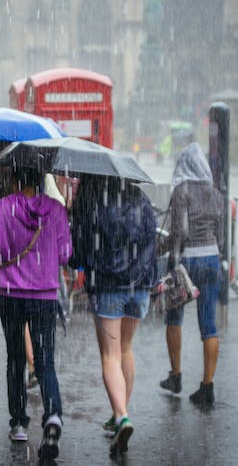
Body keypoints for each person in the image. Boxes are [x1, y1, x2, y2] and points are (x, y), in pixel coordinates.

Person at [0, 166, 71, 461]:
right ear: (41, 179)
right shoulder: (56, 211)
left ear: (17, 179)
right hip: (44, 295)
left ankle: (19, 422)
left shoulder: (1, 208)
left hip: (10, 296)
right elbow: (65, 254)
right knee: (45, 363)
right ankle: (53, 414)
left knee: (16, 358)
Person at [69, 174, 157, 457]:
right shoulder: (139, 198)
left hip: (109, 286)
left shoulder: (90, 201)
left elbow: (79, 249)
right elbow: (151, 238)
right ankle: (120, 414)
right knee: (126, 348)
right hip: (139, 285)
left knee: (110, 355)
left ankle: (121, 416)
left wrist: (77, 261)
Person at [159, 142, 224, 407]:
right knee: (209, 325)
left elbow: (180, 233)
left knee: (174, 317)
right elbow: (220, 236)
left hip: (186, 262)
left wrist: (160, 249)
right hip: (211, 260)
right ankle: (207, 387)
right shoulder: (216, 194)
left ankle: (176, 376)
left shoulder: (181, 191)